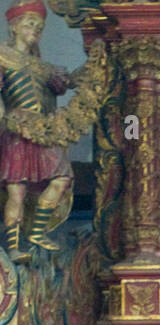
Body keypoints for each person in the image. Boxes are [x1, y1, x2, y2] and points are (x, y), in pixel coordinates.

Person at [0, 0, 81, 257]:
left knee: (62, 178)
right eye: (30, 23)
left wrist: (92, 69)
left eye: (40, 26)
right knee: (18, 190)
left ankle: (36, 231)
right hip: (18, 129)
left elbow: (64, 84)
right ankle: (13, 247)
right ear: (14, 27)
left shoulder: (44, 67)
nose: (36, 29)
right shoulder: (2, 56)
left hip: (45, 131)